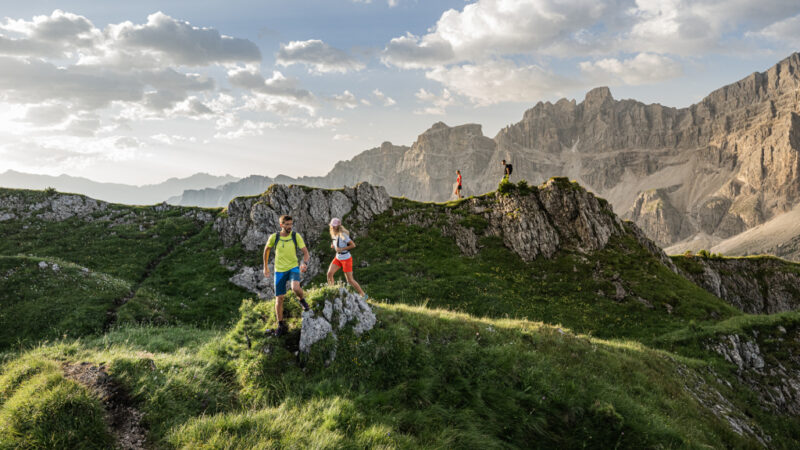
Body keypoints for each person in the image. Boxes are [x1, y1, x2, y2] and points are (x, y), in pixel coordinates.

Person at [262, 214, 311, 337]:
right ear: (281, 225)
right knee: (279, 298)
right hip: (279, 270)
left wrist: (304, 263)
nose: (290, 226)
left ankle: (302, 300)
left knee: (295, 288)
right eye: (287, 224)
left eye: (291, 224)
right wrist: (266, 267)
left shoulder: (295, 236)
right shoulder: (275, 237)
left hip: (293, 267)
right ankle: (280, 324)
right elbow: (266, 250)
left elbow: (305, 253)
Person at [326, 218, 367, 299]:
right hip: (338, 258)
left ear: (338, 226)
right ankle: (332, 291)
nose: (333, 227)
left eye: (334, 226)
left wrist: (341, 249)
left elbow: (353, 245)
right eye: (332, 226)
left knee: (350, 280)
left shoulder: (343, 235)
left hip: (346, 259)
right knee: (329, 274)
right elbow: (335, 242)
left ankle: (363, 295)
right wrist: (333, 245)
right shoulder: (333, 233)